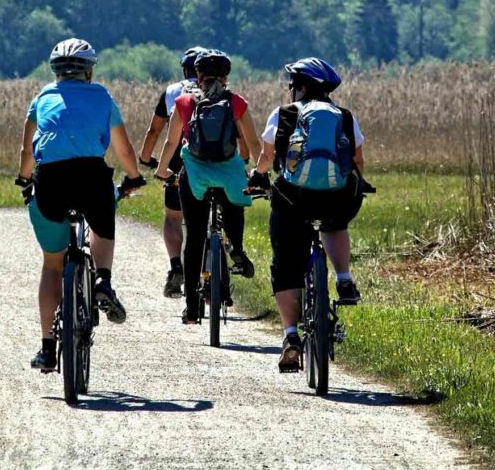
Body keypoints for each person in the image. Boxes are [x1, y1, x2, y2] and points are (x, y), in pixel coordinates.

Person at [16, 37, 146, 372]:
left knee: (52, 265)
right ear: (89, 72)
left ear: (56, 72)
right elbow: (125, 150)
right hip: (91, 178)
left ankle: (47, 348)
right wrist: (134, 177)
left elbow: (26, 153)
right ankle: (102, 279)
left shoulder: (41, 98)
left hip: (50, 182)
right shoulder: (102, 97)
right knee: (102, 222)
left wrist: (24, 178)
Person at [247, 57, 366, 372]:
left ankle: (290, 337)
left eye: (292, 84)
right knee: (336, 223)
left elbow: (267, 155)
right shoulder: (344, 116)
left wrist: (257, 177)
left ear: (299, 86)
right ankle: (343, 279)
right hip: (336, 196)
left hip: (293, 198)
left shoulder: (284, 114)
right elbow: (357, 162)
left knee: (285, 262)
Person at [155, 49, 262, 324]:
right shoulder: (237, 102)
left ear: (197, 75)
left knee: (194, 240)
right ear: (226, 77)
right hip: (229, 173)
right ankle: (236, 248)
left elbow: (170, 143)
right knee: (235, 204)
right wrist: (258, 172)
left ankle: (192, 308)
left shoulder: (183, 101)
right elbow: (253, 144)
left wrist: (162, 169)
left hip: (195, 175)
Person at [138, 47, 204, 298]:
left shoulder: (172, 92)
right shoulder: (220, 91)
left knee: (173, 216)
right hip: (213, 161)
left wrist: (146, 158)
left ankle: (176, 265)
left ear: (185, 69)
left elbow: (154, 131)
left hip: (178, 159)